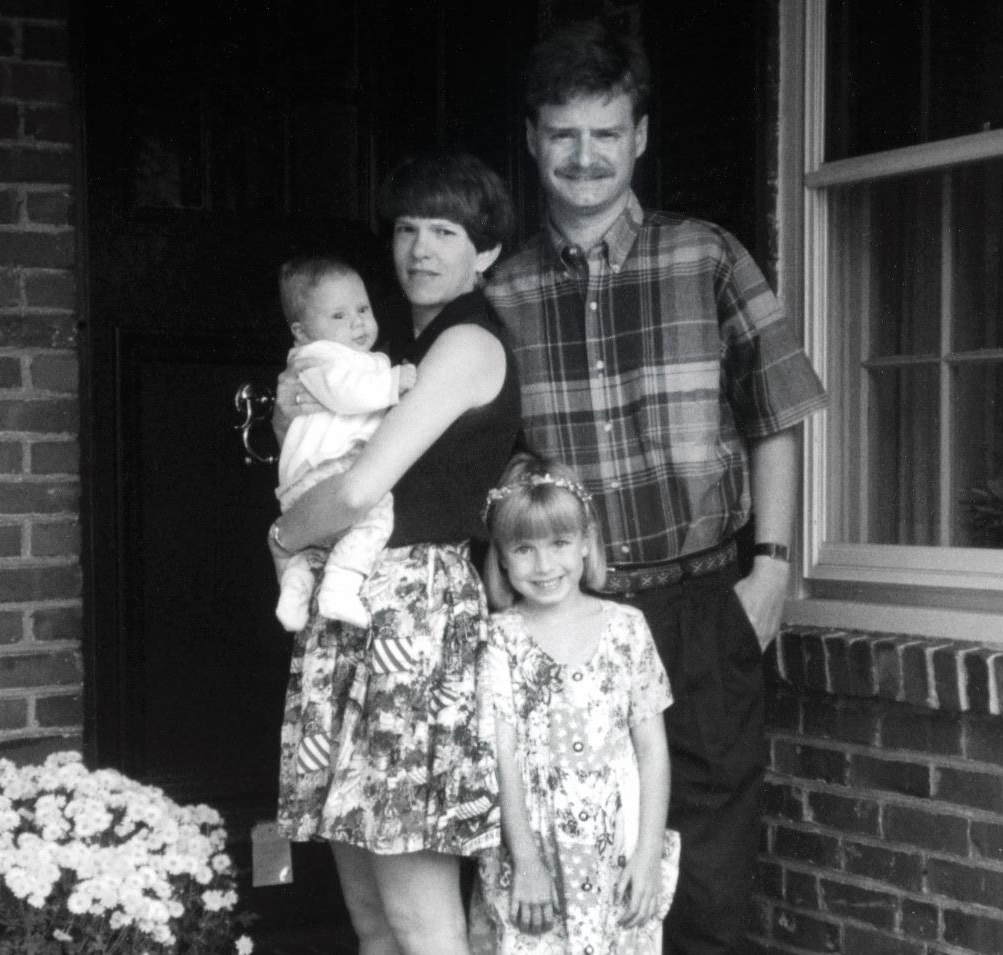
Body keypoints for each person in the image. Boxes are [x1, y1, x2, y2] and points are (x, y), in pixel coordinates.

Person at [484, 20, 829, 955]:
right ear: (532, 139)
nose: (584, 156)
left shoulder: (707, 255)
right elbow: (478, 461)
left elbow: (778, 413)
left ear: (639, 136)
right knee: (573, 867)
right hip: (573, 617)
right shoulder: (500, 296)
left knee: (710, 874)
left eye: (606, 132)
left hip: (703, 599)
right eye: (563, 133)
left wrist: (771, 569)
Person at [268, 150, 520, 955]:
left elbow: (353, 493)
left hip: (411, 618)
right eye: (409, 227)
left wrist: (281, 535)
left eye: (445, 230)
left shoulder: (466, 343)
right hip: (356, 613)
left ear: (485, 253)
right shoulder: (376, 357)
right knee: (373, 919)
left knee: (421, 923)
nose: (420, 247)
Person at [469, 453, 679, 955]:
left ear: (587, 543)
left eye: (560, 543)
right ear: (500, 557)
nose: (544, 565)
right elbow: (503, 756)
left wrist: (647, 854)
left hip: (616, 851)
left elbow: (652, 751)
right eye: (524, 548)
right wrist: (525, 862)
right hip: (534, 854)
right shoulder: (499, 639)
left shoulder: (626, 629)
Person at [271, 256, 416, 633]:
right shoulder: (322, 358)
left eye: (363, 309)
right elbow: (345, 392)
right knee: (376, 513)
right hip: (330, 471)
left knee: (315, 547)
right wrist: (394, 383)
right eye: (338, 316)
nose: (357, 322)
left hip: (307, 484)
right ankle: (342, 584)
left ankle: (294, 589)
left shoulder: (345, 356)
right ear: (301, 333)